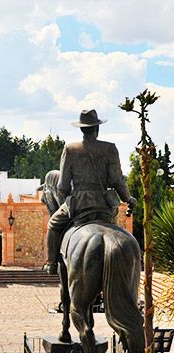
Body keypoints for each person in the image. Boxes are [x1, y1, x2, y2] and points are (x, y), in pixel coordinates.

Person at [45, 109, 137, 275]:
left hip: (78, 204)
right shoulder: (110, 148)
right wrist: (128, 198)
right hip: (104, 205)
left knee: (53, 224)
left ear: (82, 129)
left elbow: (62, 186)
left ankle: (51, 264)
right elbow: (117, 180)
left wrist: (68, 196)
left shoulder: (70, 149)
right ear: (97, 128)